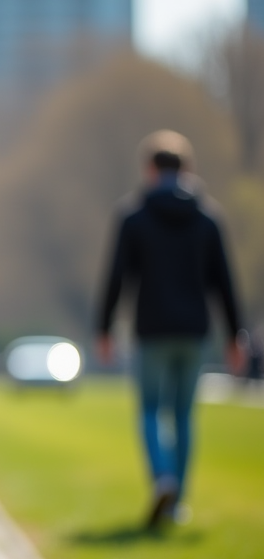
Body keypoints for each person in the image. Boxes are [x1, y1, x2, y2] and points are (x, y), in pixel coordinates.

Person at [96, 130, 244, 530]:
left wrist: (104, 328)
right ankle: (177, 502)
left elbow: (116, 277)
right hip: (194, 332)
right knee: (183, 416)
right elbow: (224, 281)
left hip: (152, 330)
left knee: (149, 410)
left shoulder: (134, 216)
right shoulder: (208, 218)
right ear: (187, 169)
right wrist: (235, 336)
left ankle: (162, 477)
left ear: (149, 169)